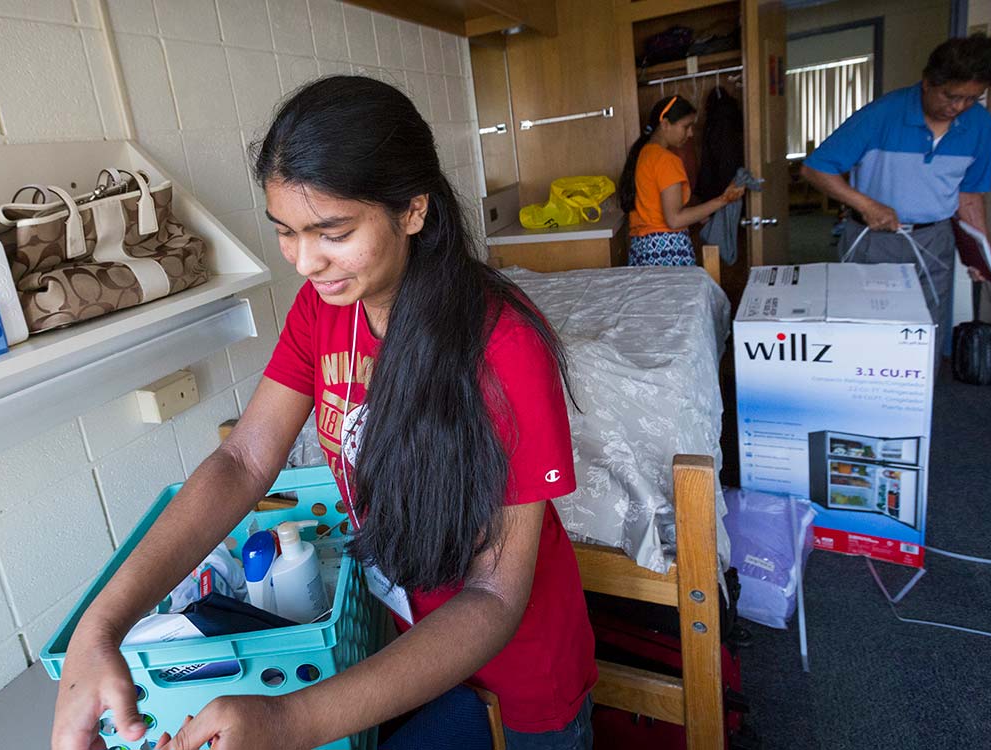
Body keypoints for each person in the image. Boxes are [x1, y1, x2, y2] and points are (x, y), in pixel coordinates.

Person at [51, 76, 597, 750]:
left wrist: (291, 719)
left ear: (413, 211)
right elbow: (243, 457)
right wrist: (98, 628)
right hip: (402, 651)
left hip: (519, 677)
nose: (306, 262)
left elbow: (492, 595)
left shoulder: (503, 346)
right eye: (286, 232)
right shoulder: (325, 309)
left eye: (332, 232)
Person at [801, 34, 991, 333]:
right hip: (875, 240)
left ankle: (927, 381)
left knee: (928, 328)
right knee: (869, 330)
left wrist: (979, 252)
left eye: (971, 98)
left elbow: (970, 194)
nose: (959, 106)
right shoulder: (881, 114)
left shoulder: (980, 125)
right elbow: (815, 169)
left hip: (936, 238)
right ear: (928, 82)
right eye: (951, 96)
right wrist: (866, 204)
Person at [618, 94, 746, 266]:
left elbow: (657, 205)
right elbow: (674, 220)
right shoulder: (666, 160)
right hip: (666, 250)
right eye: (686, 127)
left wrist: (699, 212)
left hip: (643, 248)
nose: (691, 133)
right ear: (665, 124)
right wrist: (723, 200)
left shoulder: (645, 154)